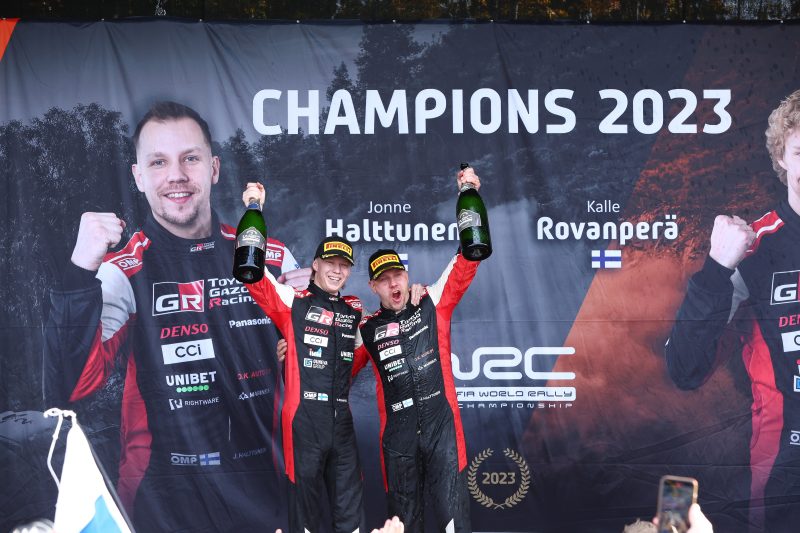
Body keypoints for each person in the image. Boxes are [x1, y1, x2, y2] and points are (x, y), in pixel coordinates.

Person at [43, 101, 309, 532]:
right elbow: (70, 387)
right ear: (139, 177)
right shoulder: (123, 270)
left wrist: (317, 308)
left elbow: (315, 377)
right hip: (166, 505)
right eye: (158, 162)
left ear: (214, 168)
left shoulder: (271, 258)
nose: (177, 175)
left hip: (270, 496)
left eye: (190, 158)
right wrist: (78, 274)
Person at [665, 89, 800, 532]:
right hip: (787, 481)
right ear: (781, 159)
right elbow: (685, 368)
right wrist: (716, 270)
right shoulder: (753, 250)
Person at [351, 166, 483, 533]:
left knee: (454, 523)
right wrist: (291, 351)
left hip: (443, 434)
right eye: (384, 280)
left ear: (406, 276)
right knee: (404, 527)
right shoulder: (366, 330)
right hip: (398, 443)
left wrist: (468, 192)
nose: (393, 283)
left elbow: (467, 261)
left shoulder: (432, 301)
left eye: (397, 275)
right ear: (373, 287)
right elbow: (334, 372)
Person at [243, 181, 365, 533]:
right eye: (330, 263)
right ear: (315, 264)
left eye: (344, 265)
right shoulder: (292, 301)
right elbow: (251, 272)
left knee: (350, 515)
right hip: (303, 422)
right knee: (305, 517)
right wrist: (253, 209)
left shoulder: (354, 310)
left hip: (342, 423)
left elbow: (362, 356)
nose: (337, 270)